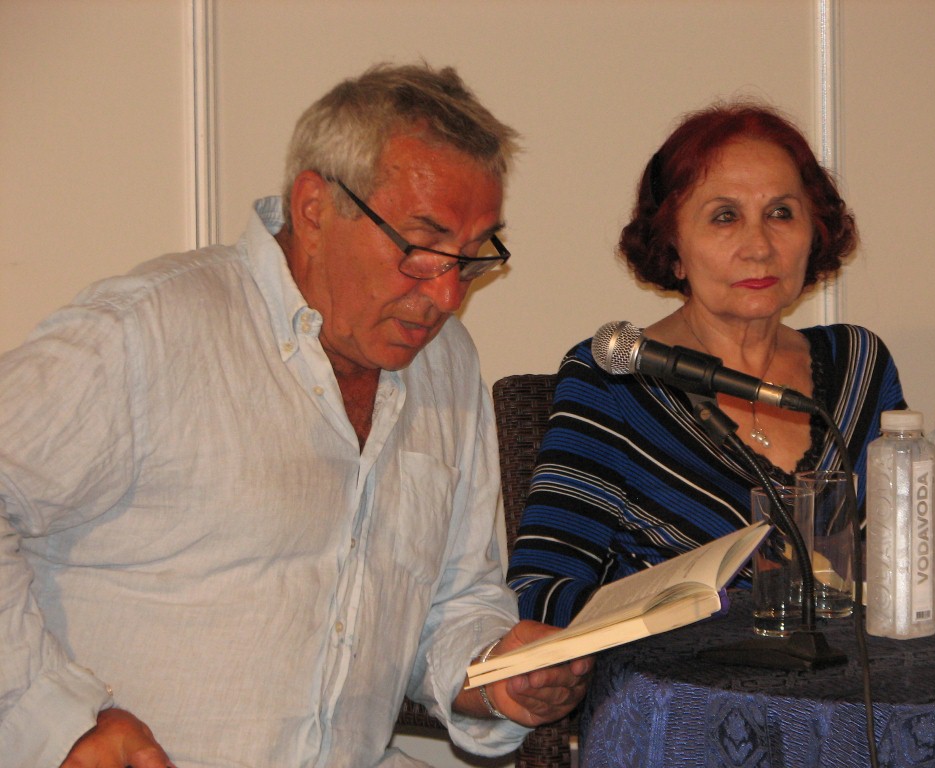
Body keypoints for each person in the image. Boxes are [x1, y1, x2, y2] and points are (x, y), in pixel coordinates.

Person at [0, 63, 591, 768]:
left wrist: (498, 676)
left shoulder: (448, 366)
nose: (446, 297)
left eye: (469, 259)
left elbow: (454, 601)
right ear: (314, 208)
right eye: (421, 248)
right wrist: (60, 719)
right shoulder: (151, 328)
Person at [508, 101, 907, 628]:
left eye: (781, 213)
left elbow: (914, 556)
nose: (759, 247)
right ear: (673, 245)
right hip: (680, 676)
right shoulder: (615, 381)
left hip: (863, 675)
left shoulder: (860, 367)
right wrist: (678, 614)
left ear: (815, 231)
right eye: (725, 217)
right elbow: (536, 590)